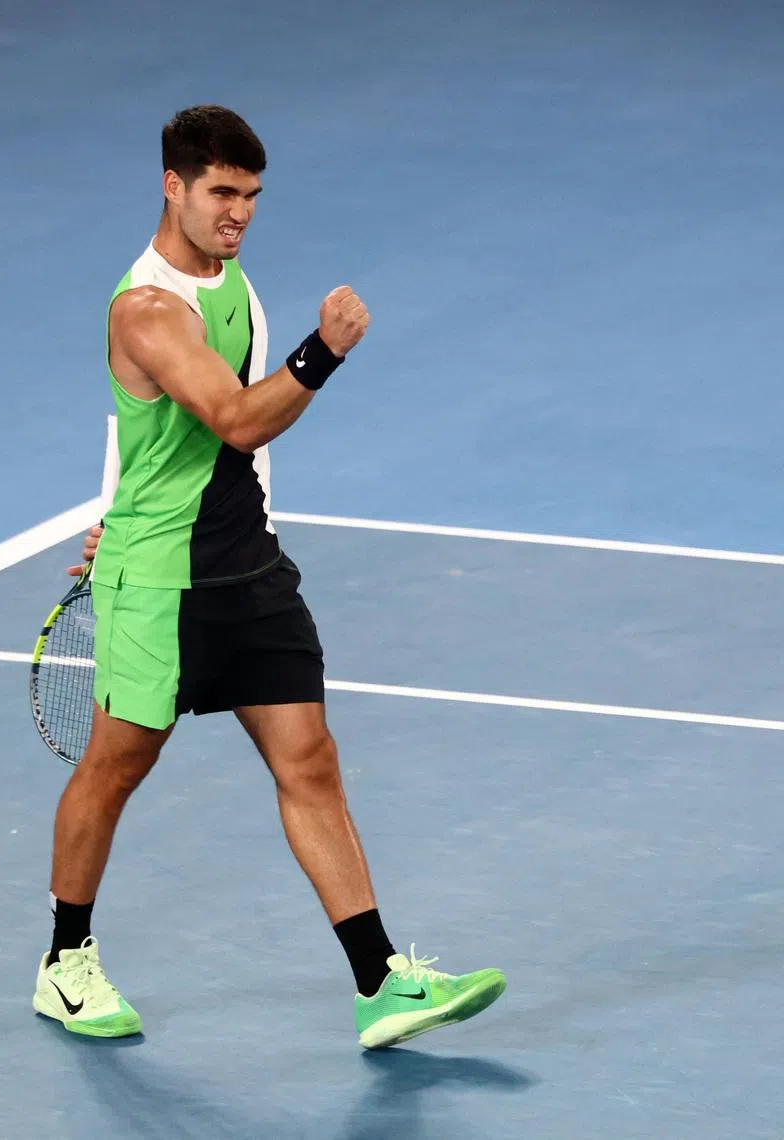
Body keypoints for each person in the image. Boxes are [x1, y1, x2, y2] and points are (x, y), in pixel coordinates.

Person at [34, 105, 505, 1048]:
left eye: (250, 196)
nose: (237, 213)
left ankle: (381, 981)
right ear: (173, 185)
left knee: (311, 760)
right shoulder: (148, 308)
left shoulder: (224, 276)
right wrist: (322, 348)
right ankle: (65, 962)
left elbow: (136, 432)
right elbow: (236, 419)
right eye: (219, 193)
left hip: (249, 571)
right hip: (162, 584)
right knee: (117, 766)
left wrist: (111, 500)